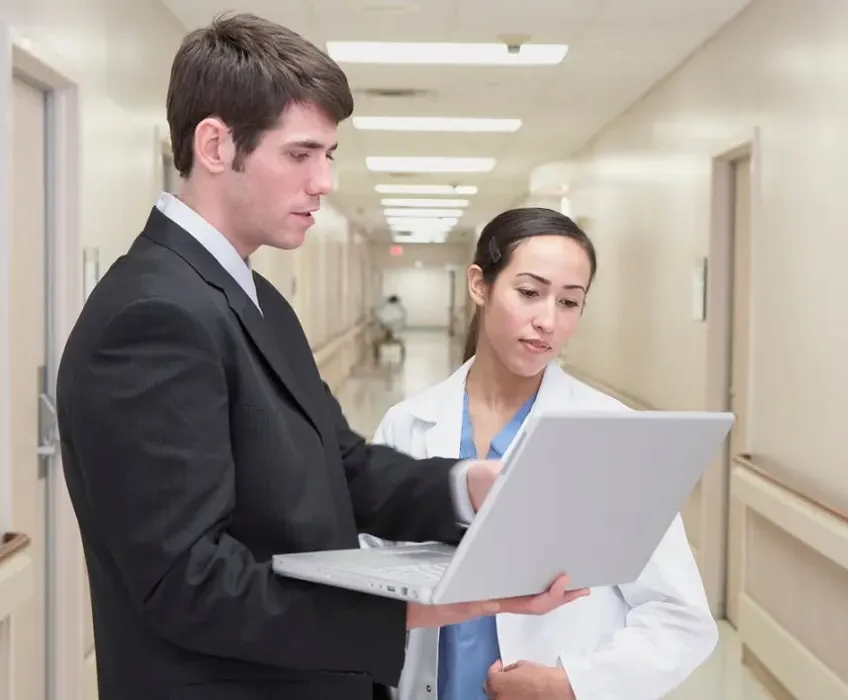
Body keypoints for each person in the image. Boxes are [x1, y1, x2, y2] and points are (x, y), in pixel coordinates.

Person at [54, 14, 586, 700]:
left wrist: (467, 486)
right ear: (216, 144)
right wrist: (414, 610)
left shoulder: (253, 298)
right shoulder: (152, 318)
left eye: (329, 155)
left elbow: (342, 467)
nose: (325, 181)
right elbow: (187, 582)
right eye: (302, 154)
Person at [364, 207, 719, 700]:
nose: (547, 321)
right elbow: (366, 588)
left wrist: (572, 684)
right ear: (479, 285)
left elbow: (681, 616)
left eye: (570, 302)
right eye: (529, 293)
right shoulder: (406, 425)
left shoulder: (611, 434)